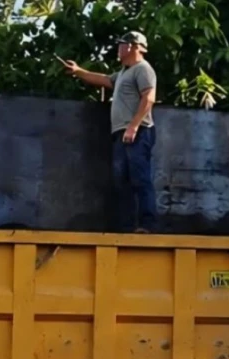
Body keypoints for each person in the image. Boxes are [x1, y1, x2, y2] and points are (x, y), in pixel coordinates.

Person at [62, 31, 158, 233]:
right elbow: (105, 80)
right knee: (122, 182)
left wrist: (134, 125)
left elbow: (148, 97)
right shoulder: (124, 72)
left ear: (134, 46)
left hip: (138, 132)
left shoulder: (143, 69)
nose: (119, 48)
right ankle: (126, 227)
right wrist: (78, 71)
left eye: (122, 44)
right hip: (121, 133)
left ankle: (147, 225)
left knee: (140, 179)